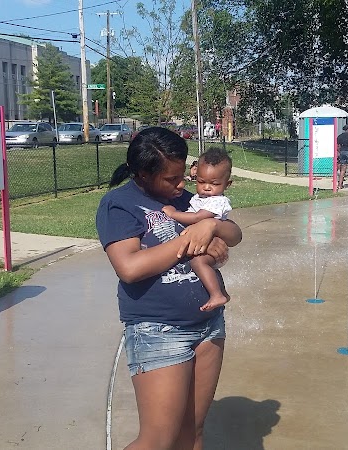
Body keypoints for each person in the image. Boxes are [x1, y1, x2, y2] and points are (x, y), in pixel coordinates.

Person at [96, 127, 242, 449]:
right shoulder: (119, 204)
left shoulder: (185, 199)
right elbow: (130, 268)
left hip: (208, 327)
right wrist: (191, 239)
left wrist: (213, 229)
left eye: (182, 175)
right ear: (144, 175)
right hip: (159, 330)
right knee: (157, 441)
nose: (181, 186)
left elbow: (233, 235)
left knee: (193, 432)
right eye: (170, 179)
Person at [162, 148, 234, 312]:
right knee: (205, 265)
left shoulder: (217, 201)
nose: (207, 187)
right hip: (206, 245)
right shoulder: (200, 198)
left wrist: (173, 213)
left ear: (227, 184)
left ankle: (217, 294)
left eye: (214, 184)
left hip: (214, 248)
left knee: (198, 262)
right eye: (201, 182)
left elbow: (197, 218)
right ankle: (221, 291)